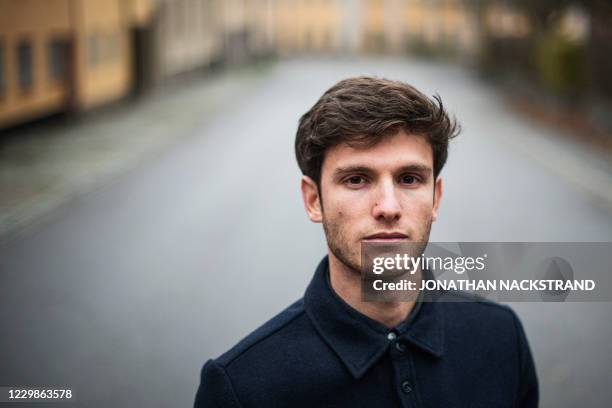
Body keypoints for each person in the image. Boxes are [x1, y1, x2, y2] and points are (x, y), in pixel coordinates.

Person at [194, 77, 538, 407]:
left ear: (435, 198)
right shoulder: (241, 388)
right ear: (314, 200)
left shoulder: (502, 338)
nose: (388, 207)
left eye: (409, 178)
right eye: (357, 179)